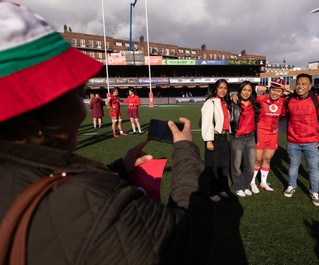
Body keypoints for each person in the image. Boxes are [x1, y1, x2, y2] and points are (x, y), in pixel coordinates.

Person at [0, 3, 212, 265]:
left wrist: (119, 169)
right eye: (78, 94)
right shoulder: (96, 205)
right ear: (45, 107)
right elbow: (190, 240)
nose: (82, 112)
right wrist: (186, 153)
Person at [283, 73, 319, 207]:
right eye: (298, 84)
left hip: (312, 142)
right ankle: (292, 185)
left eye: (304, 84)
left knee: (313, 169)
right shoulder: (289, 100)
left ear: (310, 86)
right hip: (293, 141)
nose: (300, 86)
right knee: (293, 166)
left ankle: (314, 191)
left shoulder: (317, 101)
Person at [250, 78, 286, 193]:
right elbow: (246, 99)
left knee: (267, 159)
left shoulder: (283, 102)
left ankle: (263, 182)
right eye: (273, 89)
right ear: (269, 90)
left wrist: (289, 90)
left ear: (282, 92)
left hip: (273, 135)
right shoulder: (260, 99)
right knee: (257, 159)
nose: (275, 93)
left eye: (278, 90)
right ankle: (252, 182)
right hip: (260, 133)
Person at [201, 79, 231, 202]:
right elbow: (207, 122)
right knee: (212, 166)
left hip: (224, 138)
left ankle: (221, 189)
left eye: (225, 88)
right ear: (215, 89)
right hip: (214, 138)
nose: (223, 90)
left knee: (223, 165)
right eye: (220, 88)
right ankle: (211, 191)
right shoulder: (210, 102)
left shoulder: (224, 103)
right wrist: (209, 140)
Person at [229, 81, 259, 197]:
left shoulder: (255, 104)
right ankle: (237, 186)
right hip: (237, 137)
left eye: (249, 90)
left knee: (250, 165)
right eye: (244, 90)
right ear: (240, 91)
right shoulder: (233, 103)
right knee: (236, 164)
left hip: (251, 137)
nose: (246, 93)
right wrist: (232, 97)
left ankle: (246, 185)